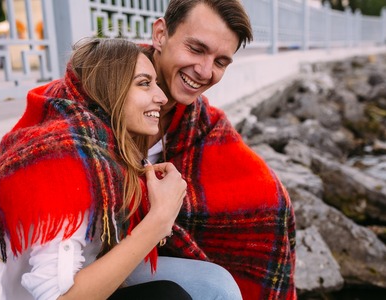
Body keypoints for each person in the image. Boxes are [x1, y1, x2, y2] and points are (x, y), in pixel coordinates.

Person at [0, 38, 198, 299]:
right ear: (109, 91)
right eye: (144, 83)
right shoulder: (68, 163)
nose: (162, 97)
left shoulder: (97, 149)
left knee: (204, 286)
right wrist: (158, 221)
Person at [126, 0, 297, 299]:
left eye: (220, 62)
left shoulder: (201, 122)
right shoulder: (104, 88)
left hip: (142, 253)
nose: (205, 72)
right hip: (76, 259)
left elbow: (269, 199)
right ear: (161, 34)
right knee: (217, 288)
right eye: (196, 49)